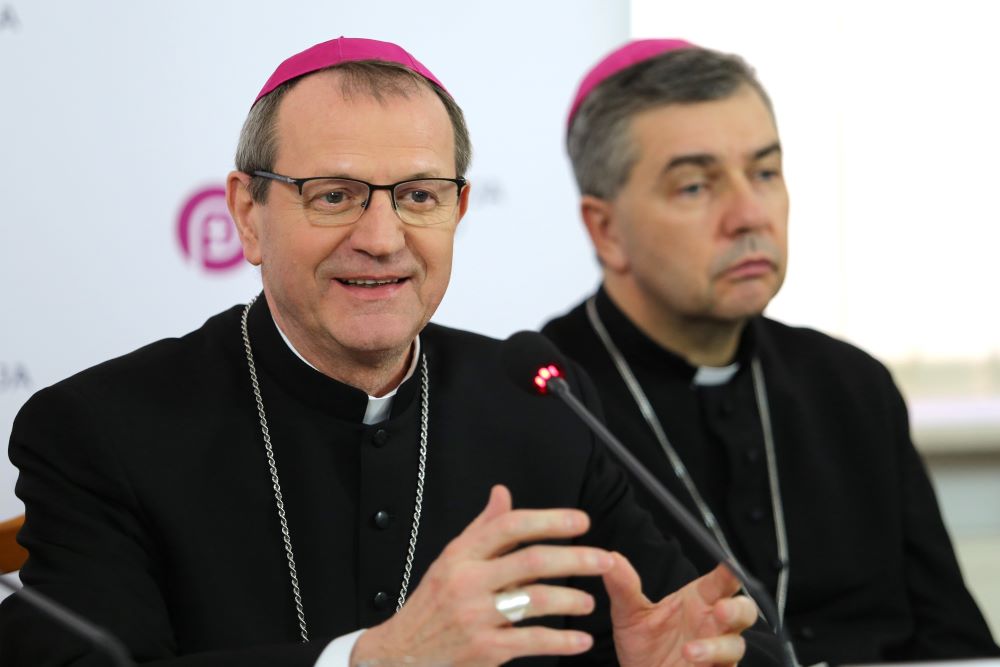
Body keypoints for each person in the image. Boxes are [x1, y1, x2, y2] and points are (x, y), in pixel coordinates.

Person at [0, 37, 779, 666]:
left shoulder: (539, 403)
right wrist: (372, 660)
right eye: (333, 193)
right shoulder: (98, 430)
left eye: (418, 195)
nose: (381, 239)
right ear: (247, 214)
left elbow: (692, 626)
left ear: (458, 209)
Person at [542, 39, 1000, 665]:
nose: (750, 214)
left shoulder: (851, 384)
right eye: (697, 186)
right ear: (606, 229)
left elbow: (956, 643)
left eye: (764, 172)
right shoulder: (546, 400)